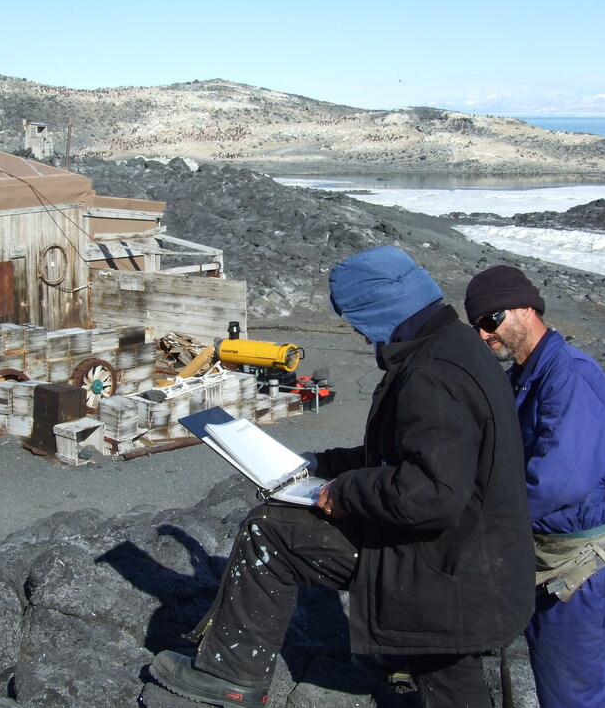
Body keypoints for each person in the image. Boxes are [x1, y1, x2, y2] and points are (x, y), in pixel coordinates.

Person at [148, 246, 534, 708]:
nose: (359, 333)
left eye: (356, 320)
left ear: (378, 309)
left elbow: (431, 492)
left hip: (445, 568)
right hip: (477, 556)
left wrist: (345, 491)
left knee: (268, 530)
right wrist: (322, 464)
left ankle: (230, 675)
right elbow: (415, 456)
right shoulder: (454, 347)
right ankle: (391, 655)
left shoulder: (431, 375)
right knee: (449, 677)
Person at [464, 265, 605, 708]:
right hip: (540, 559)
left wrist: (474, 519)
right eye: (476, 325)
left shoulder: (570, 377)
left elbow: (557, 484)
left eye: (491, 319)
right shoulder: (523, 378)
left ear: (527, 308)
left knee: (571, 697)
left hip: (580, 571)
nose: (484, 334)